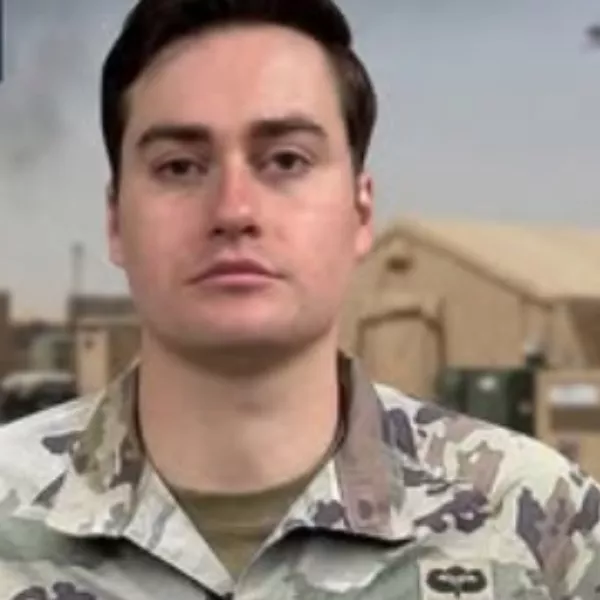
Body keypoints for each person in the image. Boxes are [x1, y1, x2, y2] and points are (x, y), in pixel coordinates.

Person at [1, 0, 600, 598]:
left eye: (287, 160)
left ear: (360, 211)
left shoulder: (542, 527)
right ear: (115, 220)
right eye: (180, 167)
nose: (234, 210)